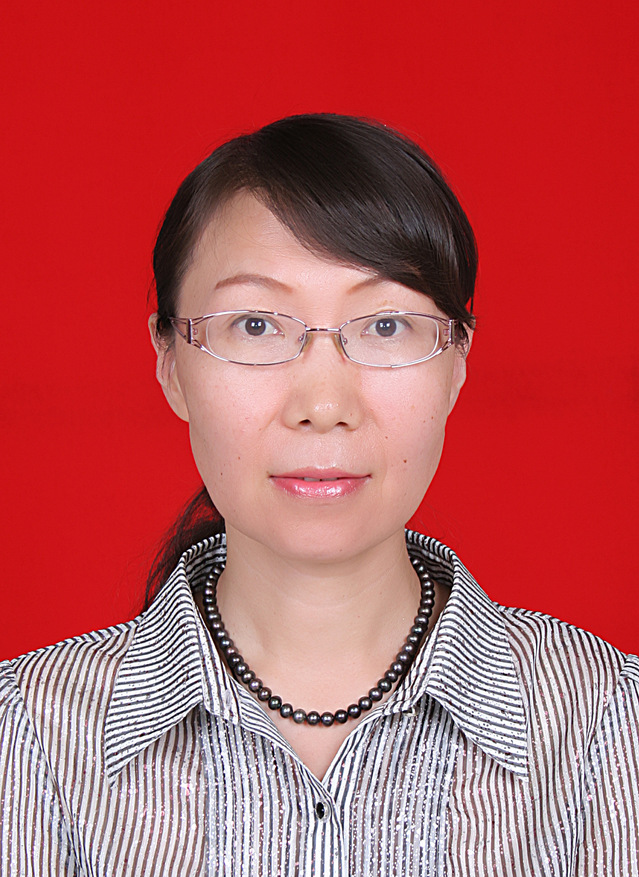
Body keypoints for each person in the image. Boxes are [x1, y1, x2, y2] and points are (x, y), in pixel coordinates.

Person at [0, 114, 637, 877]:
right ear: (169, 362)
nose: (324, 403)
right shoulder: (32, 734)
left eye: (386, 325)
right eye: (256, 324)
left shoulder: (603, 721)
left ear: (457, 362)